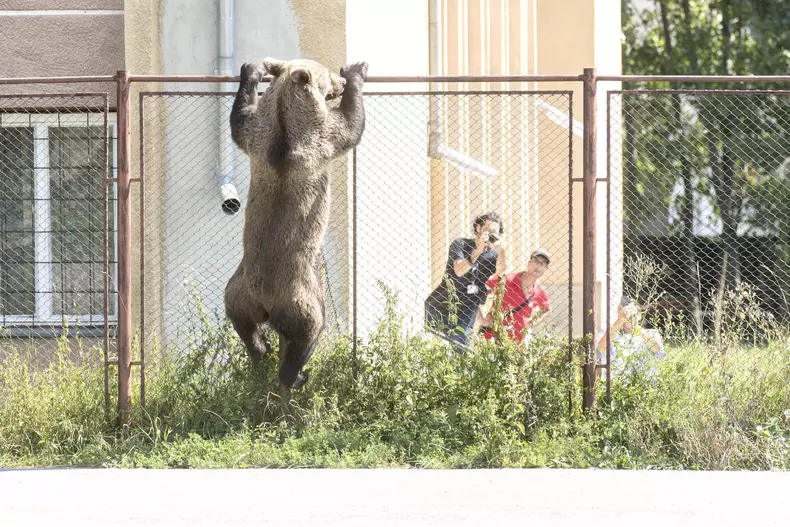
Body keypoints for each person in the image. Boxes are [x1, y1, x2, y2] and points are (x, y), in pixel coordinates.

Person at [424, 212, 507, 349]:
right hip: (441, 306)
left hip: (466, 312)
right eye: (487, 231)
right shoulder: (460, 244)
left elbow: (500, 275)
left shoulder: (494, 255)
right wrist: (478, 250)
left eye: (494, 233)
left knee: (462, 349)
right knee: (438, 349)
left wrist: (501, 250)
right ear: (478, 228)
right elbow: (459, 270)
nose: (490, 235)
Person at [478, 248, 552, 349]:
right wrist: (481, 319)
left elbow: (547, 310)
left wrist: (531, 323)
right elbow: (478, 291)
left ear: (546, 269)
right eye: (537, 261)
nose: (539, 266)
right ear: (529, 263)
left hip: (517, 345)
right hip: (493, 338)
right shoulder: (507, 279)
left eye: (543, 264)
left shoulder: (540, 291)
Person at [595, 296, 665, 379]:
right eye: (622, 312)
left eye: (633, 314)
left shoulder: (651, 333)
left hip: (644, 386)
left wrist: (635, 325)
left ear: (639, 316)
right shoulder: (608, 332)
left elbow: (658, 349)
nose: (628, 316)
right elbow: (601, 349)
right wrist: (621, 319)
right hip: (615, 386)